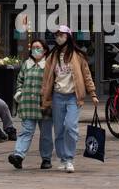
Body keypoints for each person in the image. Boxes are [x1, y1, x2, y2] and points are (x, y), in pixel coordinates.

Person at [40, 25, 99, 173]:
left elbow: (86, 75)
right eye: (57, 35)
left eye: (62, 35)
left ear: (68, 37)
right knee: (59, 130)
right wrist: (44, 98)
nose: (58, 37)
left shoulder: (78, 56)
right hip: (57, 96)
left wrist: (92, 93)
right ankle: (63, 158)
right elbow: (46, 79)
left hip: (73, 96)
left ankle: (70, 158)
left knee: (70, 127)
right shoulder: (52, 57)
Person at [8, 39, 50, 170]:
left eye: (38, 47)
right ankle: (18, 156)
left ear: (45, 50)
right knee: (26, 131)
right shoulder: (26, 64)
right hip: (27, 104)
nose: (35, 50)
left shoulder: (49, 64)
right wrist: (19, 93)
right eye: (33, 47)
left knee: (46, 134)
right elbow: (20, 80)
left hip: (44, 104)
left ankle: (46, 159)